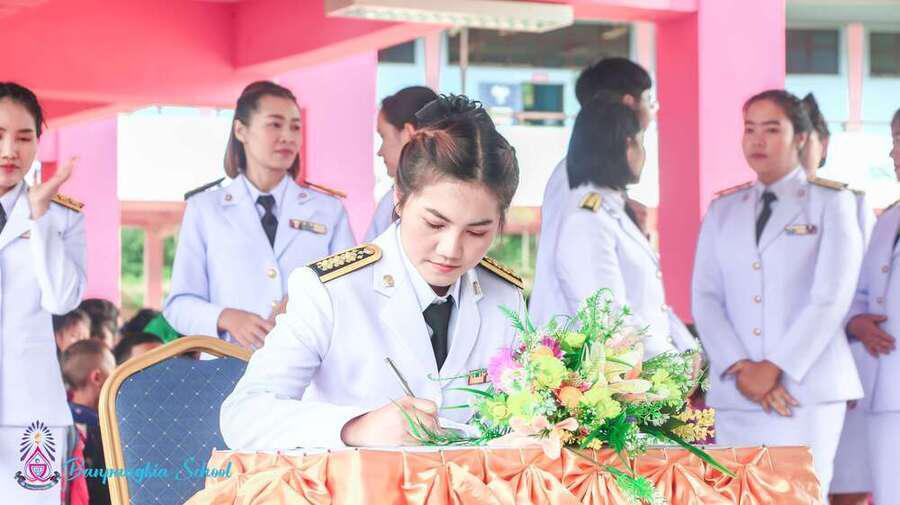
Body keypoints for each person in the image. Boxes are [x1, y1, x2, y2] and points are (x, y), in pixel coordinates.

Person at [221, 96, 525, 449]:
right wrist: (355, 427)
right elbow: (243, 416)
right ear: (400, 197)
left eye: (477, 232)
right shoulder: (332, 291)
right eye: (434, 223)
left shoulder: (505, 297)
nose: (451, 249)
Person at [692, 89, 864, 496]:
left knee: (798, 496)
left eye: (771, 129)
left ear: (800, 137)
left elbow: (831, 297)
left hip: (805, 390)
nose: (757, 140)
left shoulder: (831, 202)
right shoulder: (723, 209)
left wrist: (775, 367)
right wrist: (740, 365)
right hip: (737, 393)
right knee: (738, 496)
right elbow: (706, 297)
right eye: (749, 129)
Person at [164, 81, 356, 349]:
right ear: (241, 130)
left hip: (309, 361)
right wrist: (226, 317)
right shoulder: (205, 209)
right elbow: (179, 305)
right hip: (229, 361)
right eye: (275, 124)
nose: (288, 136)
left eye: (295, 127)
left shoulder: (328, 210)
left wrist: (308, 301)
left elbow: (351, 288)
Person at [531, 97, 695, 356]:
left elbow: (650, 306)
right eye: (641, 142)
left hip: (649, 366)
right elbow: (610, 321)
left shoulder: (611, 208)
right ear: (627, 145)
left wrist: (687, 348)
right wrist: (676, 361)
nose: (644, 154)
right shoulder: (587, 219)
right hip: (626, 371)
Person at [0, 82, 87, 503]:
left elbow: (62, 301)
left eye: (23, 137)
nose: (10, 151)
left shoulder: (63, 216)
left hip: (30, 411)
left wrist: (40, 217)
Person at [530, 58, 657, 326]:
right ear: (628, 104)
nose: (652, 111)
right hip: (580, 341)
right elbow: (600, 304)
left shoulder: (592, 176)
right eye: (648, 100)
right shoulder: (581, 179)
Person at [800, 93, 875, 505]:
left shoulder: (850, 202)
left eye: (804, 137)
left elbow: (862, 292)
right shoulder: (741, 207)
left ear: (822, 144)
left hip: (839, 366)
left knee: (846, 483)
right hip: (769, 377)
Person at [845, 107, 900, 505]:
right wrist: (856, 323)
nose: (893, 153)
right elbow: (860, 294)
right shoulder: (888, 219)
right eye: (894, 140)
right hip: (885, 390)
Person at [365, 86, 439, 242]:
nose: (380, 151)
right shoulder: (463, 191)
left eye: (383, 136)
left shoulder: (395, 200)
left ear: (408, 134)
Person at [61, 340, 114, 505]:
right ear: (97, 377)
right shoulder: (101, 430)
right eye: (113, 372)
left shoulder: (59, 424)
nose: (116, 380)